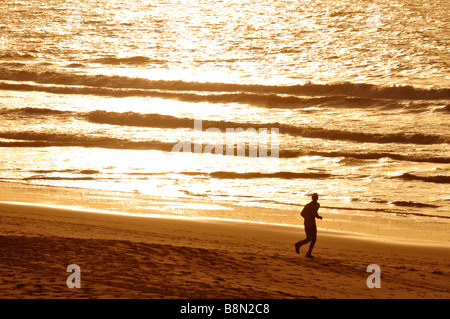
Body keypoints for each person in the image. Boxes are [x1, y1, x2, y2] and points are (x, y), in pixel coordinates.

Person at [295, 193, 322, 258]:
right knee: (308, 238)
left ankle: (309, 253)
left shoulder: (318, 205)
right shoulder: (308, 206)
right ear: (312, 198)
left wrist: (318, 216)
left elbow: (315, 213)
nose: (316, 198)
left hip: (313, 224)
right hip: (307, 224)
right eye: (315, 197)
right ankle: (298, 244)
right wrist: (309, 217)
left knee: (314, 239)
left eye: (317, 197)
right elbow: (302, 213)